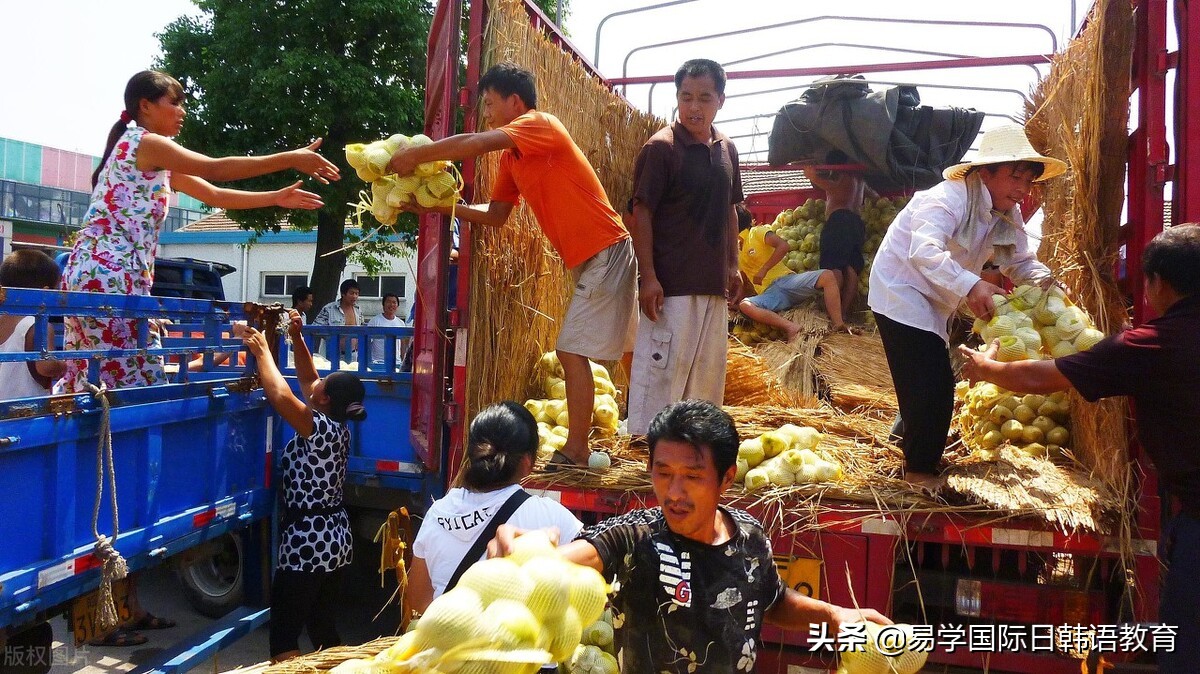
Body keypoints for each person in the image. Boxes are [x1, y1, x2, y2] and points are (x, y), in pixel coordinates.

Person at [489, 400, 890, 672]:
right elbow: (574, 557)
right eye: (663, 474)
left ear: (726, 479)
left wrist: (835, 617)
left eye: (692, 477)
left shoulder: (750, 538)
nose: (674, 494)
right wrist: (522, 553)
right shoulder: (636, 537)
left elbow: (770, 599)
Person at [958, 224, 1200, 674]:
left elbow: (1039, 376)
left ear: (1158, 283)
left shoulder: (1150, 346)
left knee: (1188, 651)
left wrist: (988, 368)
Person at [387, 63, 637, 467]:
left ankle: (576, 450)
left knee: (571, 350)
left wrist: (417, 155)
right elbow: (497, 214)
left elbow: (475, 141)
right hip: (595, 257)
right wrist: (441, 205)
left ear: (515, 103)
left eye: (489, 103)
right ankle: (644, 431)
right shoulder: (514, 160)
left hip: (606, 250)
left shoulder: (541, 125)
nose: (485, 113)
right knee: (630, 352)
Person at [56, 70, 335, 394]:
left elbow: (214, 194)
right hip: (111, 274)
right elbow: (214, 167)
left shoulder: (143, 151)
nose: (182, 111)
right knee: (130, 384)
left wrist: (275, 197)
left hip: (97, 272)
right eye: (174, 102)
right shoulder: (146, 142)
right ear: (145, 106)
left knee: (97, 373)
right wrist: (290, 158)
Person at [867, 123, 1066, 493]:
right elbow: (923, 251)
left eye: (1028, 181)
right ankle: (919, 473)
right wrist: (972, 284)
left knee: (923, 380)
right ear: (984, 172)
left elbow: (1018, 262)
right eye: (1015, 177)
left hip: (937, 296)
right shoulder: (946, 198)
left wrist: (1049, 283)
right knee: (933, 382)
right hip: (902, 289)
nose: (1022, 189)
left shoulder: (1006, 213)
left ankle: (906, 444)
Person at [242, 310, 367, 662]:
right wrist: (297, 337)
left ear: (324, 399)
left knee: (283, 635)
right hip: (334, 539)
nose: (316, 381)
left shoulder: (320, 428)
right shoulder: (336, 425)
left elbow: (281, 396)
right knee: (322, 627)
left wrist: (263, 352)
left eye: (323, 384)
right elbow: (307, 376)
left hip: (308, 543)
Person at [627, 59, 742, 435]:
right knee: (660, 383)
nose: (694, 107)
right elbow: (641, 212)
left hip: (712, 288)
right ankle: (647, 460)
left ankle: (694, 457)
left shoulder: (727, 149)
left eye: (704, 98)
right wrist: (649, 277)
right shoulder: (661, 148)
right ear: (677, 98)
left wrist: (733, 265)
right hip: (670, 289)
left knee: (705, 385)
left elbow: (730, 211)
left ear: (721, 100)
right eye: (686, 97)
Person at [407, 401, 582, 612]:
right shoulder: (552, 516)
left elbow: (418, 600)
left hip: (453, 640)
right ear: (528, 463)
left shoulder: (438, 512)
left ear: (472, 456)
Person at [736, 205, 852, 338]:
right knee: (745, 305)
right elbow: (743, 278)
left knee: (828, 275)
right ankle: (791, 327)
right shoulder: (737, 250)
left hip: (786, 281)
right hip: (771, 294)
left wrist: (764, 269)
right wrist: (738, 296)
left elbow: (783, 246)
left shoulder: (756, 232)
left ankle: (838, 324)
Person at [803, 150, 871, 315]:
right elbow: (873, 195)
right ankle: (844, 312)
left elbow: (832, 187)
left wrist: (813, 176)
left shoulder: (842, 177)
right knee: (851, 268)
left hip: (839, 221)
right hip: (856, 223)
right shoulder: (860, 180)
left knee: (834, 268)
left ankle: (834, 316)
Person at [0, 249, 66, 400]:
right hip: (26, 415)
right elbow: (45, 366)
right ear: (45, 292)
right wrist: (62, 366)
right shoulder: (39, 326)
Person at [313, 279, 363, 362]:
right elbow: (315, 328)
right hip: (331, 355)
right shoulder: (329, 309)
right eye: (351, 293)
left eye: (356, 293)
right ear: (343, 293)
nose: (354, 296)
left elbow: (361, 329)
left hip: (353, 355)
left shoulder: (358, 310)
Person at [367, 293, 405, 365]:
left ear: (397, 305)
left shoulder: (401, 323)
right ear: (383, 304)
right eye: (388, 302)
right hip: (377, 363)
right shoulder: (374, 321)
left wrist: (403, 363)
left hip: (396, 363)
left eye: (394, 302)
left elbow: (403, 345)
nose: (391, 305)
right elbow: (368, 343)